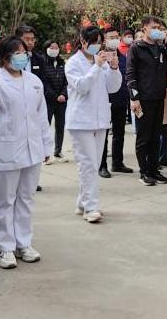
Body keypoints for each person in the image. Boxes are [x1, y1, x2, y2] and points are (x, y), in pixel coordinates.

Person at [0, 36, 52, 269]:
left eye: (23, 52)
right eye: (15, 53)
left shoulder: (34, 82)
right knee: (4, 201)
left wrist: (46, 146)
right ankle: (5, 247)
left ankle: (24, 243)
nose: (21, 56)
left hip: (32, 150)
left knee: (26, 199)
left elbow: (41, 117)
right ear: (3, 58)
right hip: (5, 151)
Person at [64, 27, 122, 220]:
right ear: (83, 41)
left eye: (99, 42)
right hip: (80, 121)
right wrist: (96, 67)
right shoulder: (73, 63)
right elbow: (82, 87)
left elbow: (113, 87)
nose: (97, 46)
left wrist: (113, 68)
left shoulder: (102, 62)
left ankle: (82, 202)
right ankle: (91, 207)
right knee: (87, 164)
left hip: (100, 119)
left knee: (93, 164)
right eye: (93, 42)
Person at [126, 15, 167, 186]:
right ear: (144, 28)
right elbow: (130, 74)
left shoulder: (160, 47)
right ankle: (144, 172)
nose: (157, 30)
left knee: (156, 136)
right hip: (143, 99)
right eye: (154, 27)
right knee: (144, 137)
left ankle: (154, 170)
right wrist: (134, 98)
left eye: (159, 28)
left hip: (158, 97)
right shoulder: (136, 48)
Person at [99, 27, 134, 177]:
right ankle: (102, 165)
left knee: (119, 133)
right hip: (104, 101)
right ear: (105, 40)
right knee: (104, 134)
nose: (114, 40)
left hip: (120, 99)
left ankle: (117, 163)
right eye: (111, 37)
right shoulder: (99, 57)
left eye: (116, 37)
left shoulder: (123, 57)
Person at [16, 25, 46, 191]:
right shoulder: (11, 60)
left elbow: (42, 82)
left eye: (32, 39)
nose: (30, 42)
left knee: (36, 142)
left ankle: (34, 179)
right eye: (26, 39)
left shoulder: (38, 59)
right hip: (16, 107)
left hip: (34, 105)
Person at [41, 40, 68, 163]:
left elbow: (66, 81)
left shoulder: (62, 63)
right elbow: (44, 83)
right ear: (46, 48)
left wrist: (63, 94)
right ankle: (44, 154)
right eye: (51, 47)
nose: (54, 50)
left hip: (62, 100)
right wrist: (55, 96)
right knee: (45, 126)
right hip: (48, 100)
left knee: (60, 126)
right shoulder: (43, 63)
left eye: (56, 47)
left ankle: (58, 151)